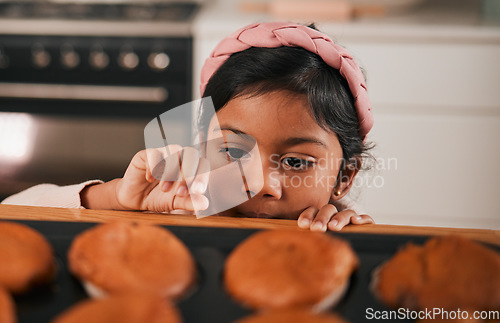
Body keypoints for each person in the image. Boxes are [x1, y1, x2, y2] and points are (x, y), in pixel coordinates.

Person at [2, 22, 374, 232]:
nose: (260, 185)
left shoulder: (333, 233)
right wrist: (114, 199)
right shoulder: (173, 215)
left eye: (296, 162)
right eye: (230, 151)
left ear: (345, 175)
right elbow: (12, 214)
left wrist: (352, 239)